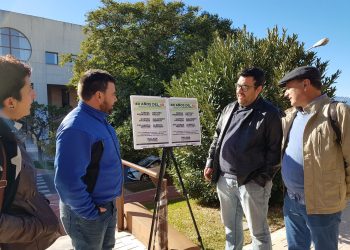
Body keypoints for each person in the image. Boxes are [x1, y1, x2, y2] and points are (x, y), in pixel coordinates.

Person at [204, 67, 282, 250]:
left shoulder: (270, 114)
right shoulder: (229, 108)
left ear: (259, 88)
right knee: (231, 229)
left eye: (246, 87)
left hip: (252, 183)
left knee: (259, 233)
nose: (240, 90)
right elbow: (217, 137)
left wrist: (260, 180)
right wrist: (210, 162)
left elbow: (275, 153)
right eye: (238, 85)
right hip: (224, 180)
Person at [279, 66, 350, 250]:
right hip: (291, 202)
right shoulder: (290, 116)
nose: (285, 94)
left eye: (288, 88)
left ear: (305, 84)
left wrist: (339, 196)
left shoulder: (337, 112)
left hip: (323, 206)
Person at [54, 69, 123, 250]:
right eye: (113, 94)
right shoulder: (76, 127)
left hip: (106, 207)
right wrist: (90, 212)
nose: (115, 98)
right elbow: (66, 181)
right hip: (88, 213)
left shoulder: (98, 120)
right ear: (99, 95)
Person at [0, 55, 62, 249]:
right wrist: (40, 226)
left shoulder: (9, 132)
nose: (34, 95)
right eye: (29, 89)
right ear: (11, 101)